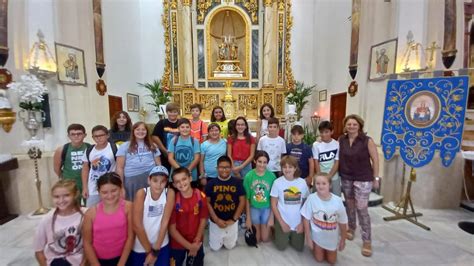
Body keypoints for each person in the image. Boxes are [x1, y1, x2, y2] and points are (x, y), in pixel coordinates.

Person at [338, 114, 380, 257]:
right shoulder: (341, 140)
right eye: (349, 124)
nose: (351, 126)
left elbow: (375, 159)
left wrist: (376, 177)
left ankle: (367, 240)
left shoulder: (367, 141)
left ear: (359, 126)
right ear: (345, 126)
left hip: (363, 178)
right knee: (349, 205)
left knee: (362, 208)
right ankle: (351, 227)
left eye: (354, 124)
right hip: (346, 177)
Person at [82, 173, 134, 266]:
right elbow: (87, 242)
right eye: (105, 192)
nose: (110, 196)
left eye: (114, 190)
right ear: (99, 192)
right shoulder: (91, 213)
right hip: (98, 260)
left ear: (120, 188)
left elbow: (130, 237)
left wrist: (121, 263)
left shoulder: (128, 207)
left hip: (124, 258)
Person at [34, 180, 85, 266]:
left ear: (75, 194)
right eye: (56, 197)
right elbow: (39, 250)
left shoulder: (86, 214)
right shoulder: (47, 219)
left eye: (66, 195)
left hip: (82, 260)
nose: (61, 200)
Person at [131, 166, 175, 266]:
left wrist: (155, 250)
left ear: (167, 182)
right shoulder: (142, 193)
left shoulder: (169, 193)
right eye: (155, 181)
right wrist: (149, 252)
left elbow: (165, 222)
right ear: (149, 180)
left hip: (160, 244)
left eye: (162, 181)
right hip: (141, 245)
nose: (159, 185)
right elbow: (137, 225)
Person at [301, 174, 348, 264]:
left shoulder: (337, 201)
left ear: (330, 185)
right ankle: (317, 247)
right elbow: (306, 219)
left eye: (324, 183)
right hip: (317, 237)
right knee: (319, 259)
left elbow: (343, 222)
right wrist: (308, 238)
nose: (321, 186)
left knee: (332, 261)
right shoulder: (311, 198)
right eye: (318, 183)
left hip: (332, 239)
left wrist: (343, 239)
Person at [169, 167, 209, 266]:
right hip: (177, 243)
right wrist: (190, 247)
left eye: (184, 179)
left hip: (196, 240)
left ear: (190, 178)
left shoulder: (201, 196)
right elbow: (172, 230)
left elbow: (203, 219)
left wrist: (197, 240)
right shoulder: (173, 200)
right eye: (177, 181)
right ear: (174, 184)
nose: (181, 183)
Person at [204, 156, 245, 251]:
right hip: (215, 221)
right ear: (217, 168)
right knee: (215, 248)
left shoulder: (237, 182)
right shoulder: (211, 183)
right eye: (221, 167)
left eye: (227, 167)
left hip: (232, 220)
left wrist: (234, 219)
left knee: (230, 246)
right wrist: (216, 219)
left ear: (231, 168)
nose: (224, 170)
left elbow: (242, 201)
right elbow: (207, 202)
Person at [270, 155, 309, 252]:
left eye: (290, 167)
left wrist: (302, 223)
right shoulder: (277, 182)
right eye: (284, 167)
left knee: (299, 248)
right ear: (281, 168)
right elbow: (273, 204)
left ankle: (292, 234)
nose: (287, 169)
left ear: (295, 168)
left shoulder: (302, 182)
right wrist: (281, 223)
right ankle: (276, 229)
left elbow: (306, 204)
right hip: (283, 219)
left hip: (297, 221)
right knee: (281, 247)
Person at [116, 122, 161, 201]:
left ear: (147, 132)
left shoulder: (153, 145)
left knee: (148, 202)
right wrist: (121, 186)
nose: (141, 132)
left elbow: (158, 165)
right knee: (132, 204)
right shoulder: (125, 146)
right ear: (133, 131)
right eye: (138, 129)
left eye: (143, 129)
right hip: (132, 180)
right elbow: (119, 167)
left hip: (149, 178)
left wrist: (158, 181)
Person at [244, 151, 276, 243]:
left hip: (267, 208)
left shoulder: (272, 176)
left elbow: (273, 199)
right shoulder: (249, 176)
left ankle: (272, 229)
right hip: (254, 208)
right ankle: (262, 228)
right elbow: (247, 198)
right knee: (257, 239)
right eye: (259, 161)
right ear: (254, 161)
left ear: (267, 163)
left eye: (264, 162)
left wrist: (271, 217)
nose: (262, 165)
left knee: (265, 239)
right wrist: (248, 218)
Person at [53, 123, 90, 202]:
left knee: (89, 206)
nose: (76, 136)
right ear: (69, 136)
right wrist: (65, 178)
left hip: (88, 182)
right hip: (70, 183)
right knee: (73, 206)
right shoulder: (62, 149)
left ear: (85, 135)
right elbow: (56, 168)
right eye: (73, 134)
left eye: (79, 134)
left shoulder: (90, 147)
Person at [81, 125, 117, 207]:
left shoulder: (114, 148)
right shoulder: (89, 150)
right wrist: (85, 187)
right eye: (96, 136)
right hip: (93, 187)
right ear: (93, 137)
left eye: (101, 135)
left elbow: (120, 167)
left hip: (110, 185)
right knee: (91, 211)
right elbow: (85, 169)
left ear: (107, 135)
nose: (99, 138)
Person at [168, 118, 201, 187]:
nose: (185, 129)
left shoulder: (195, 141)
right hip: (176, 173)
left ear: (190, 128)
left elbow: (197, 158)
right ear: (178, 128)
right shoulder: (173, 140)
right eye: (182, 127)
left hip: (191, 174)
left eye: (187, 127)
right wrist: (181, 171)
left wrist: (187, 171)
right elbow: (170, 158)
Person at [312, 121, 341, 196]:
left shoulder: (337, 144)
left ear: (332, 132)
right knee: (318, 197)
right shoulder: (316, 145)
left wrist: (329, 177)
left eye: (326, 132)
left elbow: (337, 162)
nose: (323, 134)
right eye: (321, 132)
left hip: (333, 176)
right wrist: (320, 176)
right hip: (320, 175)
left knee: (336, 197)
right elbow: (316, 162)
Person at [152, 103, 180, 172]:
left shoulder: (181, 123)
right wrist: (164, 150)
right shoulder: (161, 123)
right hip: (164, 154)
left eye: (175, 112)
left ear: (178, 112)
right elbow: (154, 137)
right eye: (170, 112)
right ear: (167, 112)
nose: (172, 114)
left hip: (179, 154)